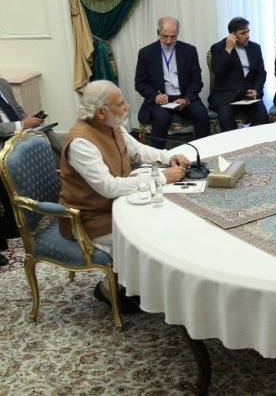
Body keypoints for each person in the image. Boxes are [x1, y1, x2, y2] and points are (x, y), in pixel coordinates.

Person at [59, 80, 190, 312]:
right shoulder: (81, 142)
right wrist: (162, 178)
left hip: (116, 205)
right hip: (90, 218)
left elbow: (138, 151)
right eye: (120, 104)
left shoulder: (111, 124)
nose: (127, 106)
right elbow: (108, 187)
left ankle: (140, 286)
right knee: (152, 233)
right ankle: (107, 290)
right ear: (101, 112)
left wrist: (169, 157)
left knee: (168, 217)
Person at [0, 77, 63, 266]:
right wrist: (22, 125)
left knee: (47, 133)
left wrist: (31, 121)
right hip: (3, 141)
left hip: (17, 133)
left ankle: (73, 161)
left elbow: (18, 111)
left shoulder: (3, 83)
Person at [134, 16, 211, 149]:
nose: (169, 41)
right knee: (162, 119)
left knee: (201, 114)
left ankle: (204, 152)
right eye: (165, 36)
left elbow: (196, 81)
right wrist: (155, 96)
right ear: (158, 33)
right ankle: (157, 156)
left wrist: (186, 99)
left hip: (184, 96)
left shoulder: (189, 50)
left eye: (173, 37)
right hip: (161, 99)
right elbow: (140, 83)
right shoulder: (146, 53)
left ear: (178, 34)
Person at [208, 16, 269, 131]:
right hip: (226, 96)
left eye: (248, 32)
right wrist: (228, 49)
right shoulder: (218, 47)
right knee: (226, 120)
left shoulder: (255, 48)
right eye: (243, 33)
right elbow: (217, 70)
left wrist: (256, 89)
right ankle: (234, 142)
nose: (247, 36)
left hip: (248, 95)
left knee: (262, 116)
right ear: (232, 35)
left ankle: (252, 140)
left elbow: (261, 73)